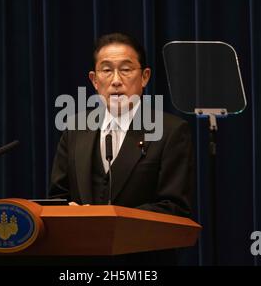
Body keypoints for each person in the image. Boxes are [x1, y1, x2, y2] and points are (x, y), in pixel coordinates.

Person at [49, 32, 195, 265]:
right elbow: (57, 198)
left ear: (145, 76)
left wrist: (113, 220)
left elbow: (174, 208)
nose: (116, 80)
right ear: (95, 80)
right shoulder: (75, 129)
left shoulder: (171, 131)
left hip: (143, 261)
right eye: (106, 70)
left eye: (126, 69)